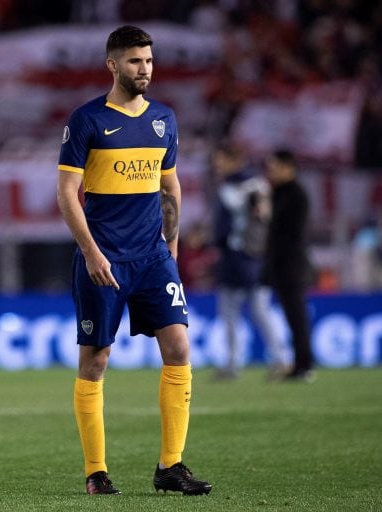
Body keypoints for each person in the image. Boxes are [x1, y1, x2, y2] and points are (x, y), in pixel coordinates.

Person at [56, 26, 211, 496]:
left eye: (148, 61)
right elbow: (66, 192)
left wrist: (173, 245)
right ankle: (96, 471)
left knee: (180, 348)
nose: (144, 69)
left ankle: (171, 466)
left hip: (153, 257)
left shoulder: (164, 119)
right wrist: (90, 252)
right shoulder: (87, 120)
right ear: (112, 65)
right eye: (134, 62)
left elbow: (171, 186)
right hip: (105, 258)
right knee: (97, 360)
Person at [211, 144, 289, 380]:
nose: (217, 165)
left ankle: (280, 360)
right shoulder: (236, 186)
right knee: (233, 312)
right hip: (234, 257)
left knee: (256, 311)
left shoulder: (253, 186)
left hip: (249, 257)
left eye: (221, 159)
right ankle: (236, 363)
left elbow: (263, 219)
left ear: (234, 160)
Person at [263, 149, 316, 382]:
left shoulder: (295, 195)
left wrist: (268, 216)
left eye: (274, 167)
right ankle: (299, 364)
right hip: (282, 265)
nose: (270, 172)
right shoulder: (279, 193)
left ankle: (304, 365)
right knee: (293, 316)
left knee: (297, 316)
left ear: (288, 167)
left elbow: (289, 233)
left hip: (292, 265)